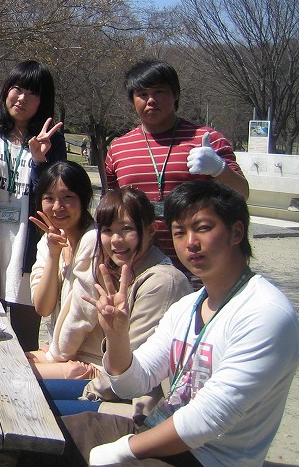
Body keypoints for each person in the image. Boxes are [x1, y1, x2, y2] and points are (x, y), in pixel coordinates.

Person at [62, 180, 299, 467]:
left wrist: (122, 449)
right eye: (179, 232)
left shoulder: (265, 312)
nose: (190, 242)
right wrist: (116, 336)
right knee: (53, 437)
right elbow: (132, 383)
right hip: (155, 431)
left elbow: (207, 419)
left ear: (236, 232)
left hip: (207, 458)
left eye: (203, 228)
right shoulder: (187, 307)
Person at [41, 186, 192, 417]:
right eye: (107, 230)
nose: (116, 240)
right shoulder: (125, 272)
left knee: (36, 406)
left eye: (127, 229)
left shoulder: (162, 282)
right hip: (111, 385)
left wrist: (87, 392)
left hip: (140, 407)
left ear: (151, 230)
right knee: (27, 389)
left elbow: (131, 372)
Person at [105, 59, 248, 283]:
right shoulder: (118, 148)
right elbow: (111, 209)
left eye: (159, 92)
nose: (151, 100)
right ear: (132, 101)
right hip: (138, 272)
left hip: (199, 272)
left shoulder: (206, 139)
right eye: (142, 94)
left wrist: (219, 168)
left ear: (176, 94)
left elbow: (242, 193)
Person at [0, 60, 65, 351]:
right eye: (17, 89)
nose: (22, 98)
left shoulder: (51, 141)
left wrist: (40, 161)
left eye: (32, 93)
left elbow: (55, 201)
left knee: (25, 342)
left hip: (28, 249)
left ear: (43, 100)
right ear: (6, 91)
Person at [28, 161, 102, 378]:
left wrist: (53, 355)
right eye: (49, 198)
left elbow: (82, 315)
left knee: (16, 374)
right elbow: (43, 307)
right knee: (5, 361)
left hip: (92, 361)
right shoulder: (49, 241)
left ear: (84, 199)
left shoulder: (94, 240)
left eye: (67, 197)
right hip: (64, 353)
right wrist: (53, 254)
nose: (57, 207)